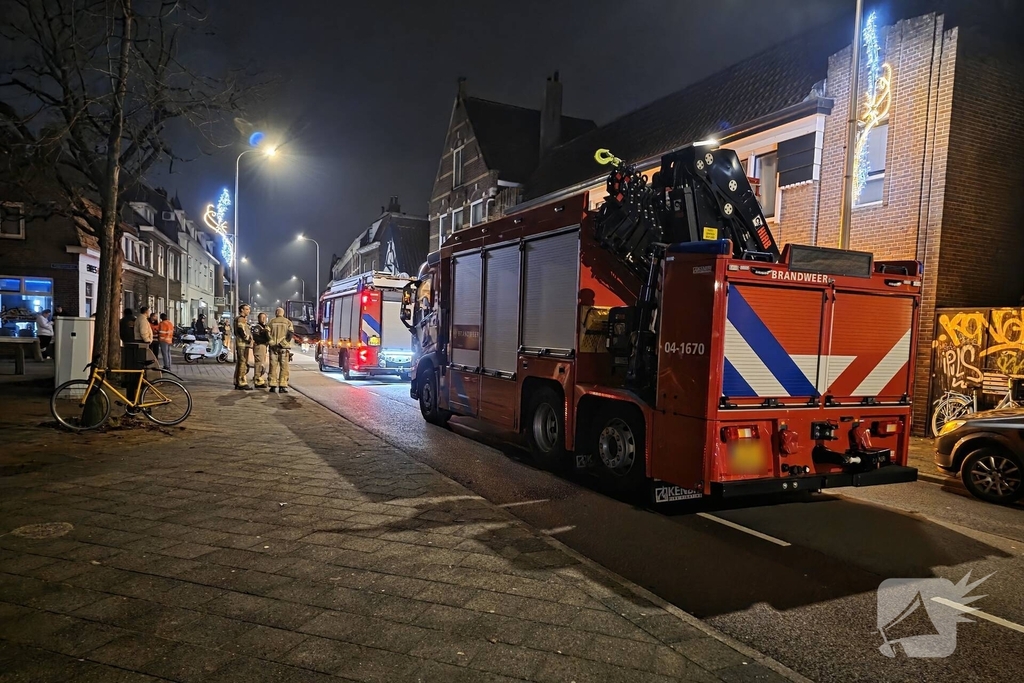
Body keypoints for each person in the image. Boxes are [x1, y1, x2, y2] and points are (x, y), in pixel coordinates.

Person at [267, 307, 295, 394]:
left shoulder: (271, 322)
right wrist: (282, 343)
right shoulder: (288, 322)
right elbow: (290, 334)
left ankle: (272, 385)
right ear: (283, 313)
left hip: (273, 349)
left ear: (276, 313)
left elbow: (267, 333)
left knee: (273, 367)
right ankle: (282, 386)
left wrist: (272, 343)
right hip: (283, 348)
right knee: (284, 367)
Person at [233, 303, 253, 390]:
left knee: (241, 362)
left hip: (242, 344)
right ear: (242, 310)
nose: (249, 311)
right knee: (243, 362)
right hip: (242, 344)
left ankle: (237, 381)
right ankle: (241, 382)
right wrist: (247, 339)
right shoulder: (241, 319)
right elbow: (241, 330)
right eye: (247, 309)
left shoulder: (241, 319)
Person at [252, 312, 270, 389]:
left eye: (264, 317)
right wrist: (265, 339)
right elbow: (256, 337)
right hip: (259, 346)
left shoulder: (265, 327)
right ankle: (257, 380)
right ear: (258, 318)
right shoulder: (257, 327)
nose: (263, 319)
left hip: (264, 347)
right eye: (262, 317)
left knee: (262, 364)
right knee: (259, 363)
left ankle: (259, 378)